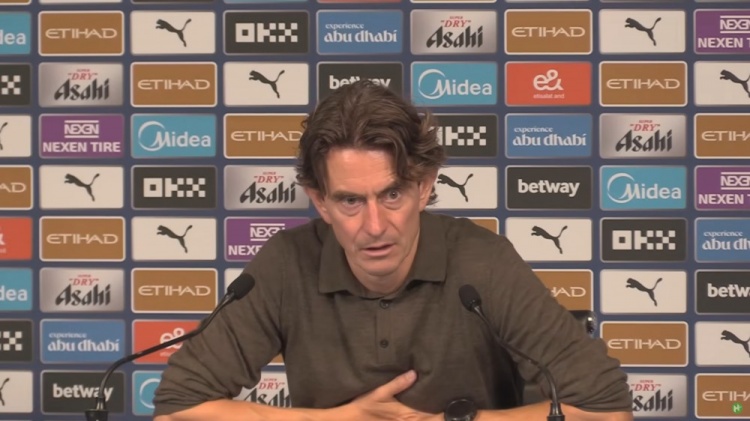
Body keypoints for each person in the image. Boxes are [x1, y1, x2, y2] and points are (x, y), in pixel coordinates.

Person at [152, 80, 633, 421]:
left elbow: (605, 408)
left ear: (424, 187)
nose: (375, 226)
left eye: (392, 194)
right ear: (320, 201)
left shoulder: (483, 262)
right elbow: (179, 408)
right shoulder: (286, 263)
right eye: (350, 201)